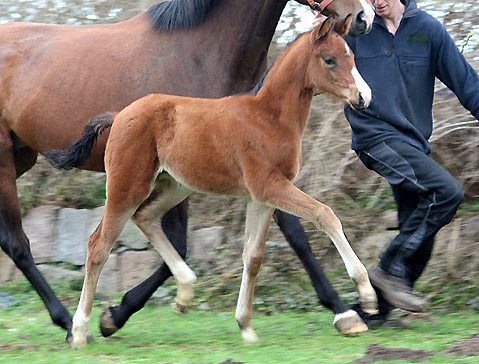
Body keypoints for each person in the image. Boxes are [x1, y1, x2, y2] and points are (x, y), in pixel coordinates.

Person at [343, 0, 479, 319]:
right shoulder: (356, 30)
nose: (377, 1)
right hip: (374, 137)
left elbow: (467, 84)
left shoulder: (427, 30)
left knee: (419, 226)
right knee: (446, 192)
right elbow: (314, 65)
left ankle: (370, 314)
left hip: (413, 144)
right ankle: (388, 269)